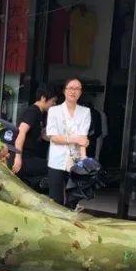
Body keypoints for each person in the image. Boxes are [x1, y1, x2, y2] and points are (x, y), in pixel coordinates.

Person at [46, 78, 91, 207]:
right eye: (70, 88)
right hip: (57, 160)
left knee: (73, 199)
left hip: (75, 161)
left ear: (81, 92)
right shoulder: (54, 111)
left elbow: (83, 136)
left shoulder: (85, 112)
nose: (73, 91)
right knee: (55, 200)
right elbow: (53, 136)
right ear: (64, 91)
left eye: (77, 89)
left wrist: (84, 159)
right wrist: (74, 139)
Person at [11, 85, 56, 181]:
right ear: (43, 98)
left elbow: (44, 135)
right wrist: (18, 157)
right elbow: (21, 133)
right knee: (53, 168)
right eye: (53, 101)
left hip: (33, 157)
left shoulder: (41, 114)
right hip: (25, 158)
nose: (54, 104)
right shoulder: (32, 112)